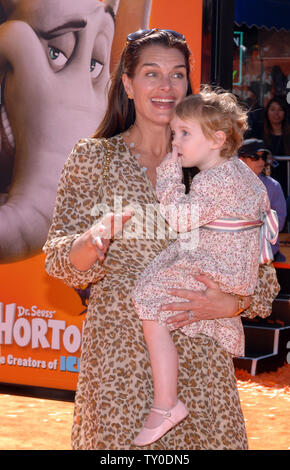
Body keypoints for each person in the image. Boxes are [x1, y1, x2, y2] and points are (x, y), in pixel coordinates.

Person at [43, 29, 280, 450]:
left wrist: (234, 303)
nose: (166, 86)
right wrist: (91, 240)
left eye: (177, 74)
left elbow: (261, 272)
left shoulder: (215, 168)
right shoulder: (93, 158)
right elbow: (58, 260)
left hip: (200, 358)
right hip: (120, 358)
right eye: (152, 74)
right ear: (128, 84)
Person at [132, 89, 278, 446]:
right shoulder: (242, 175)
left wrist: (167, 178)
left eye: (184, 133)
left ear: (217, 139)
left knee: (146, 298)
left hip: (217, 266)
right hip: (234, 268)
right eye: (174, 133)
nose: (175, 142)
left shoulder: (214, 179)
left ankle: (166, 402)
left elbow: (180, 219)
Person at [239, 138, 287, 262]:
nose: (261, 161)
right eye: (255, 156)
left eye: (263, 156)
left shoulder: (273, 186)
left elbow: (279, 223)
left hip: (266, 253)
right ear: (241, 159)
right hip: (236, 252)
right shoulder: (229, 184)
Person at [247, 96, 290, 198]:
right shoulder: (258, 132)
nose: (276, 113)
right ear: (267, 112)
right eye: (272, 109)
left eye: (280, 110)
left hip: (286, 178)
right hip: (264, 178)